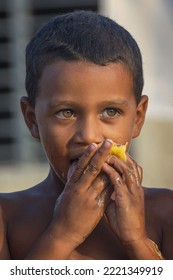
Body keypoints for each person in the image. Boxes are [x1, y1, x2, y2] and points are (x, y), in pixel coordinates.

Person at [0, 10, 173, 260]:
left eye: (110, 111)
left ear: (138, 118)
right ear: (32, 119)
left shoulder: (164, 214)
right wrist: (62, 235)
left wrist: (136, 240)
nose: (90, 135)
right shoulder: (8, 218)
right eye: (66, 112)